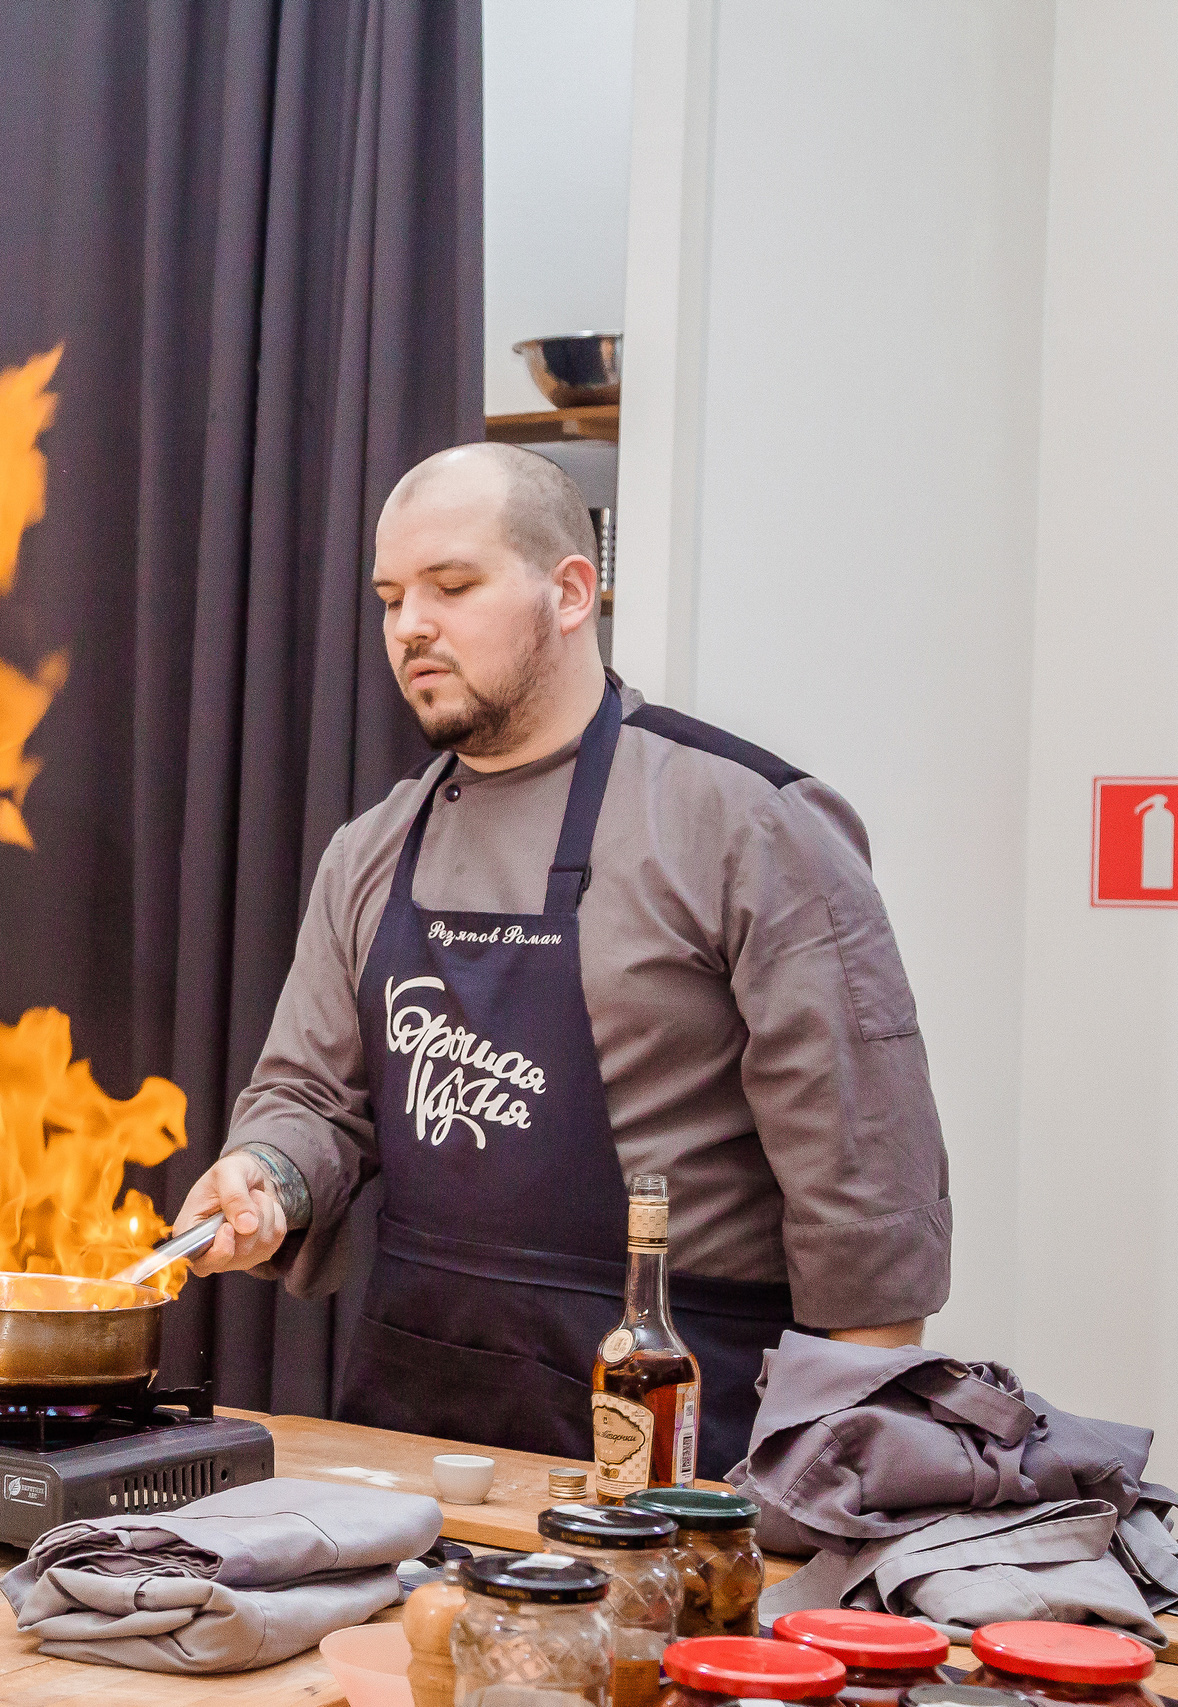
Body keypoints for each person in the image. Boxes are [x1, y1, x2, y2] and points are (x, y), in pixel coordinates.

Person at [172, 444, 950, 1476]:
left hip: (681, 1436)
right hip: (415, 1425)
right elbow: (310, 1098)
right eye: (391, 598)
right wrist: (266, 1176)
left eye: (452, 586)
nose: (410, 627)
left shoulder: (746, 823)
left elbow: (866, 1197)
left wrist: (836, 1485)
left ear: (571, 591)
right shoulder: (371, 849)